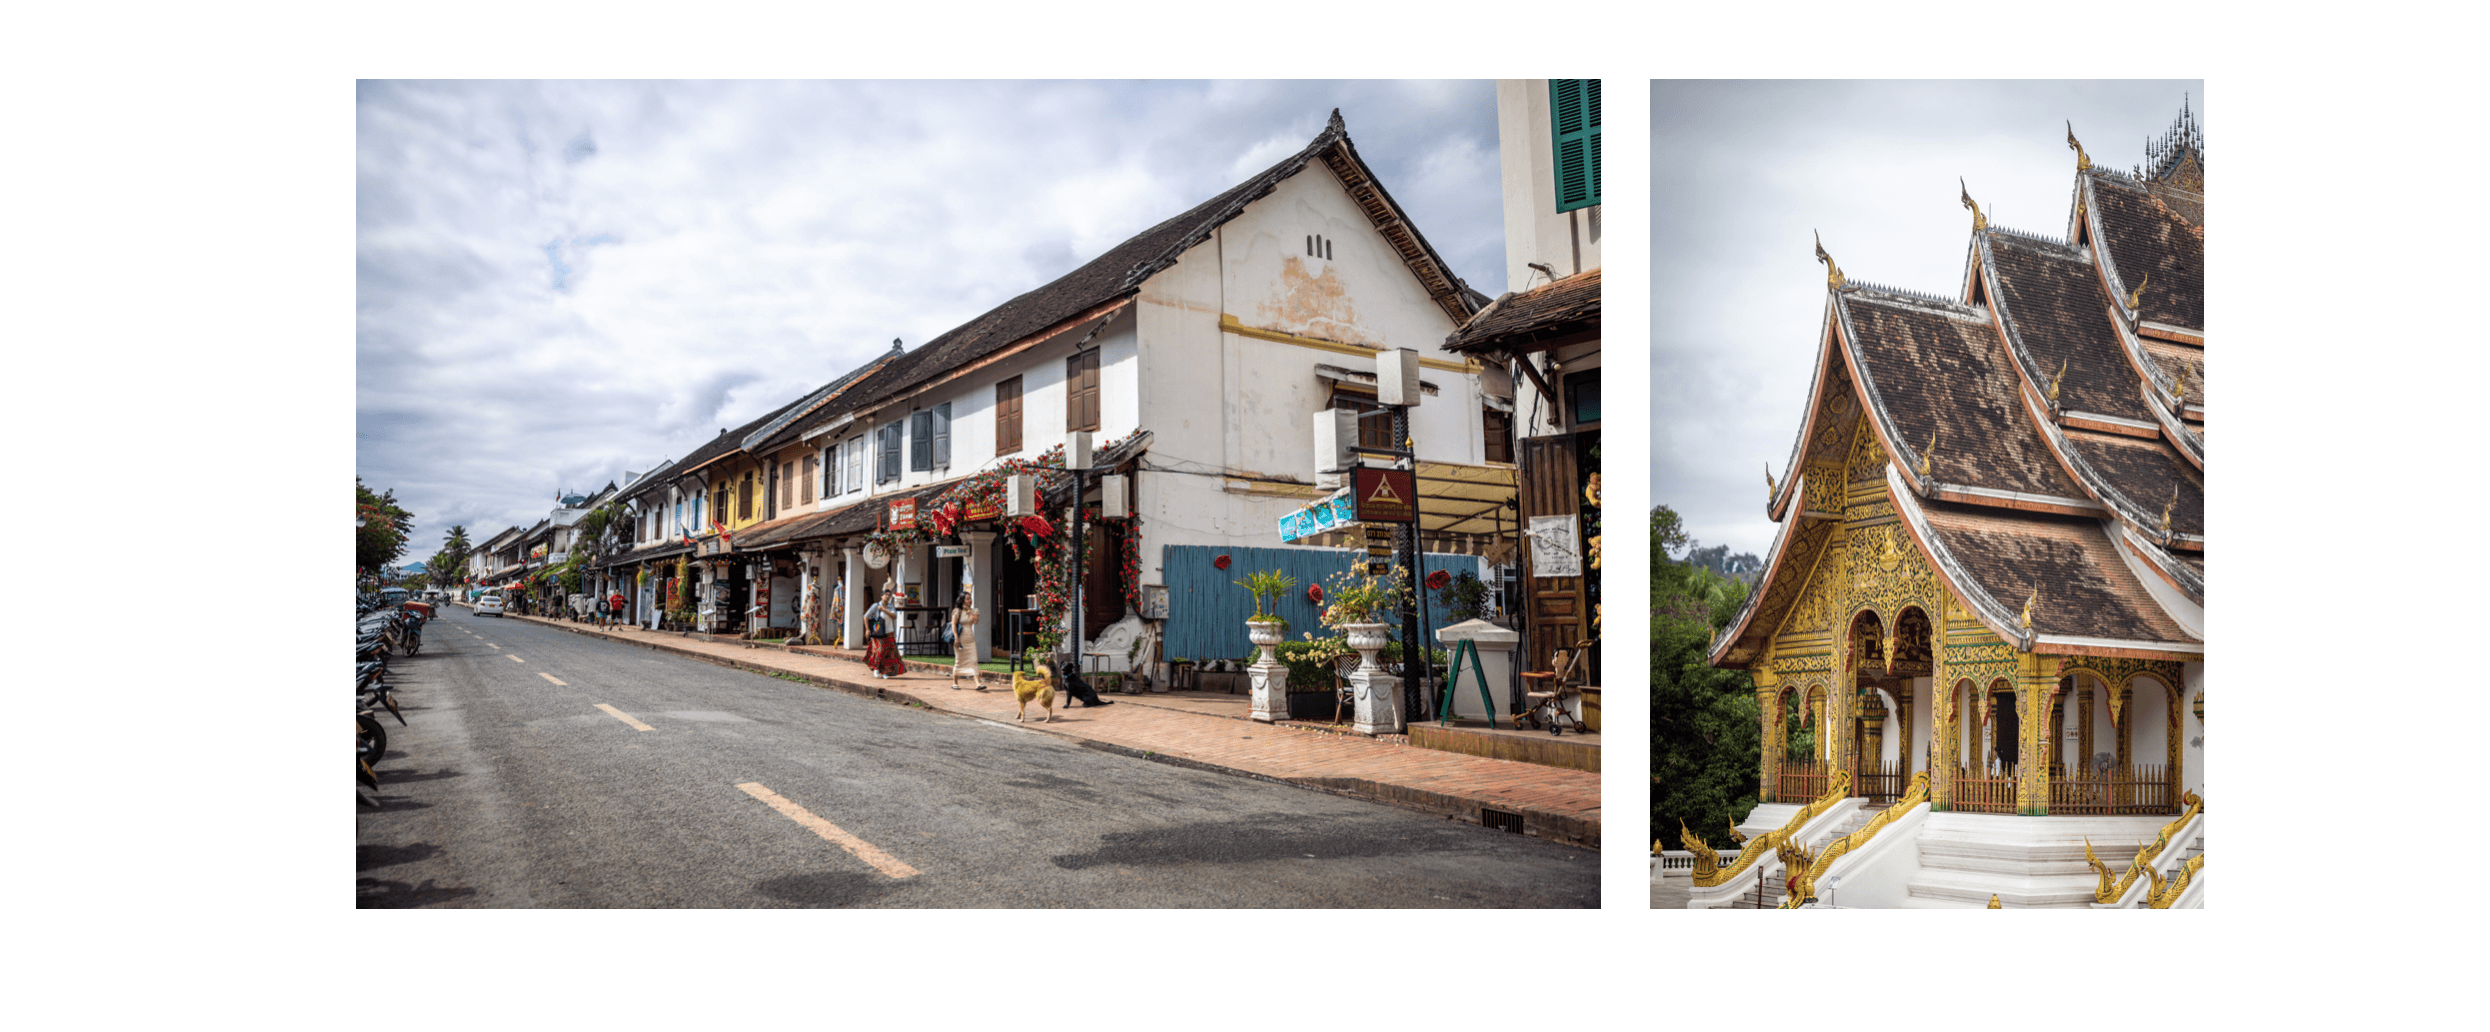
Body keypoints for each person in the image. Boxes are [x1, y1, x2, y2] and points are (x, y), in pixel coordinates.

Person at [862, 585, 907, 679]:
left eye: (889, 595)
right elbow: (866, 616)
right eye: (885, 595)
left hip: (889, 632)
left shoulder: (890, 606)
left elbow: (894, 616)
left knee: (889, 653)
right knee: (880, 651)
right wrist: (867, 629)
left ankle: (885, 672)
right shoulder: (875, 606)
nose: (887, 596)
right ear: (881, 596)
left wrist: (884, 610)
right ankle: (876, 668)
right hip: (878, 633)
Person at [947, 595, 984, 691]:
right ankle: (955, 683)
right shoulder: (957, 611)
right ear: (962, 600)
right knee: (959, 660)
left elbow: (975, 621)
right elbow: (953, 625)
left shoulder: (974, 611)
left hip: (970, 640)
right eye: (967, 599)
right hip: (959, 639)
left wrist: (968, 610)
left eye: (970, 598)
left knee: (974, 661)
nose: (969, 600)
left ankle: (977, 684)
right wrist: (956, 638)